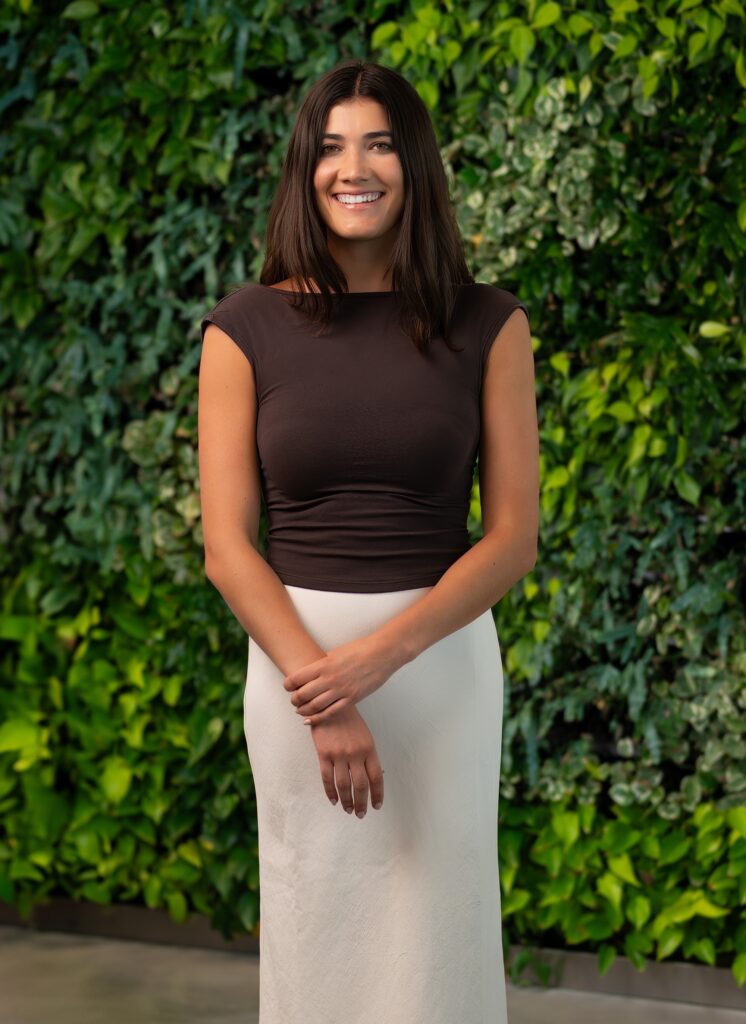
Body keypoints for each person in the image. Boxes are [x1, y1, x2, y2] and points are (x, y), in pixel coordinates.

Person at [198, 58, 538, 1024]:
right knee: (318, 922)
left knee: (441, 931)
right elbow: (228, 546)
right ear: (307, 169)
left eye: (380, 143)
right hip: (295, 671)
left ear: (413, 165)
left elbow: (513, 536)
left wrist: (381, 659)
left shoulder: (489, 322)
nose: (357, 167)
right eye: (333, 145)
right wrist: (326, 692)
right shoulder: (243, 328)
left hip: (440, 673)